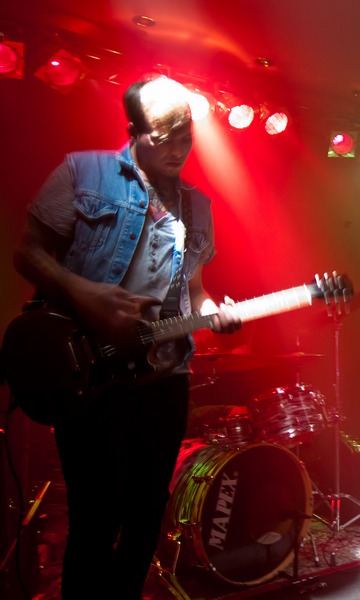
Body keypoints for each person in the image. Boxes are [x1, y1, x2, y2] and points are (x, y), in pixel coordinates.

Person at [10, 75, 241, 599]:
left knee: (146, 517)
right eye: (165, 137)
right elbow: (28, 252)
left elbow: (195, 290)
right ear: (134, 130)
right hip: (92, 373)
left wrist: (214, 312)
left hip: (165, 378)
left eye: (186, 137)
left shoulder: (198, 207)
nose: (179, 149)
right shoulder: (83, 172)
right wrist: (85, 293)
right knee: (96, 518)